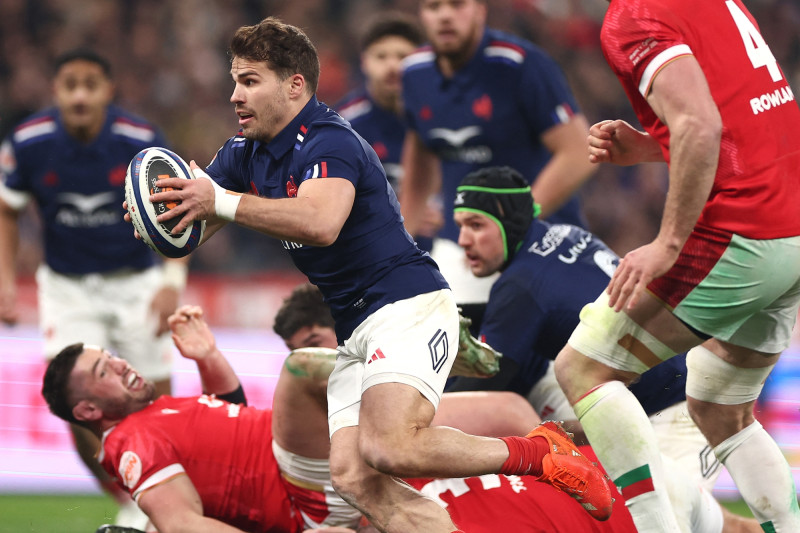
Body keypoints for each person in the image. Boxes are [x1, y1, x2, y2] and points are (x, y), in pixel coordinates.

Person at [134, 17, 613, 532]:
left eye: (250, 81)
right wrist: (159, 215)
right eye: (235, 81)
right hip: (356, 327)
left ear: (294, 85)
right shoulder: (242, 153)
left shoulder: (328, 140)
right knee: (353, 478)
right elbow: (196, 225)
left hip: (405, 306)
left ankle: (538, 453)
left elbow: (320, 222)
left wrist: (220, 201)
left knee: (391, 447)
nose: (235, 95)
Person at [42, 305, 757, 533]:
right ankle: (413, 358)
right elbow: (183, 523)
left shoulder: (158, 411)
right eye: (103, 371)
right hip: (304, 485)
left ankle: (544, 455)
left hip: (306, 457)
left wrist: (207, 359)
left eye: (111, 356)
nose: (121, 365)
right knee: (302, 372)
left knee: (508, 408)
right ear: (88, 410)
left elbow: (226, 428)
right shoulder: (129, 441)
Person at [553, 1, 800, 532]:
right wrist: (651, 146)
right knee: (721, 408)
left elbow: (699, 124)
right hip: (791, 221)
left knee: (583, 369)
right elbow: (741, 116)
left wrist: (668, 243)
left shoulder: (633, 16)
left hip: (744, 229)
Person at [273, 283, 760, 533]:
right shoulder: (401, 460)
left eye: (317, 340)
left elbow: (508, 411)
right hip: (628, 475)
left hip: (628, 475)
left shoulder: (394, 449)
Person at [446, 166, 721, 496]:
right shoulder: (566, 233)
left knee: (670, 517)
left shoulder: (521, 286)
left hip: (673, 414)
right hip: (677, 392)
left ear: (510, 223)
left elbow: (481, 388)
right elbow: (525, 310)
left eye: (476, 225)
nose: (463, 240)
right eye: (461, 226)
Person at [0, 48, 188, 528]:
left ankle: (168, 501)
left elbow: (184, 207)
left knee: (156, 403)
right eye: (70, 85)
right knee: (73, 404)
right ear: (56, 91)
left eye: (90, 85)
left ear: (108, 90)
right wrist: (4, 280)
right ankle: (128, 501)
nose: (80, 95)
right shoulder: (28, 141)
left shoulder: (140, 140)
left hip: (137, 283)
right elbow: (7, 209)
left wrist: (172, 281)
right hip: (68, 289)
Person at [399, 0, 596, 322]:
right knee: (442, 340)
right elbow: (420, 163)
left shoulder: (520, 64)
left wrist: (513, 226)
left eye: (457, 4)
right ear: (421, 15)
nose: (445, 15)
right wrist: (400, 241)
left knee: (565, 352)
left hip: (544, 239)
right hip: (461, 249)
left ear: (480, 10)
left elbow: (578, 152)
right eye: (434, 6)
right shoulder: (413, 73)